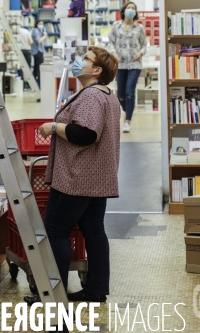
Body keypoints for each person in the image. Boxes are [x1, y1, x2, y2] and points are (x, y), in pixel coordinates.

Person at [24, 46, 120, 305]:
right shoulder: (108, 96)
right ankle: (96, 290)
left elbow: (86, 134)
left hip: (78, 177)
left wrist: (54, 127)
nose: (80, 62)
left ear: (96, 70)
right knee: (94, 231)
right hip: (98, 177)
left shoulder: (91, 96)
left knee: (56, 231)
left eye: (86, 60)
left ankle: (54, 296)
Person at [108, 1, 147, 132]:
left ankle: (127, 121)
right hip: (120, 64)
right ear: (124, 10)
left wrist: (140, 53)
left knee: (130, 92)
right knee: (121, 94)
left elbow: (144, 46)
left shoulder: (139, 28)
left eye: (133, 8)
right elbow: (110, 42)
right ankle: (127, 109)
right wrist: (114, 53)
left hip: (135, 65)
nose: (130, 10)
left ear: (135, 12)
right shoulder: (116, 26)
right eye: (128, 8)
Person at [31, 20, 47, 87]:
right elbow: (38, 41)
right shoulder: (36, 31)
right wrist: (45, 36)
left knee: (36, 68)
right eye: (40, 23)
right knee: (39, 69)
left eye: (42, 24)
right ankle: (40, 85)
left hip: (39, 51)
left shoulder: (39, 31)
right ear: (36, 24)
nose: (41, 25)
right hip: (37, 51)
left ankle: (34, 84)